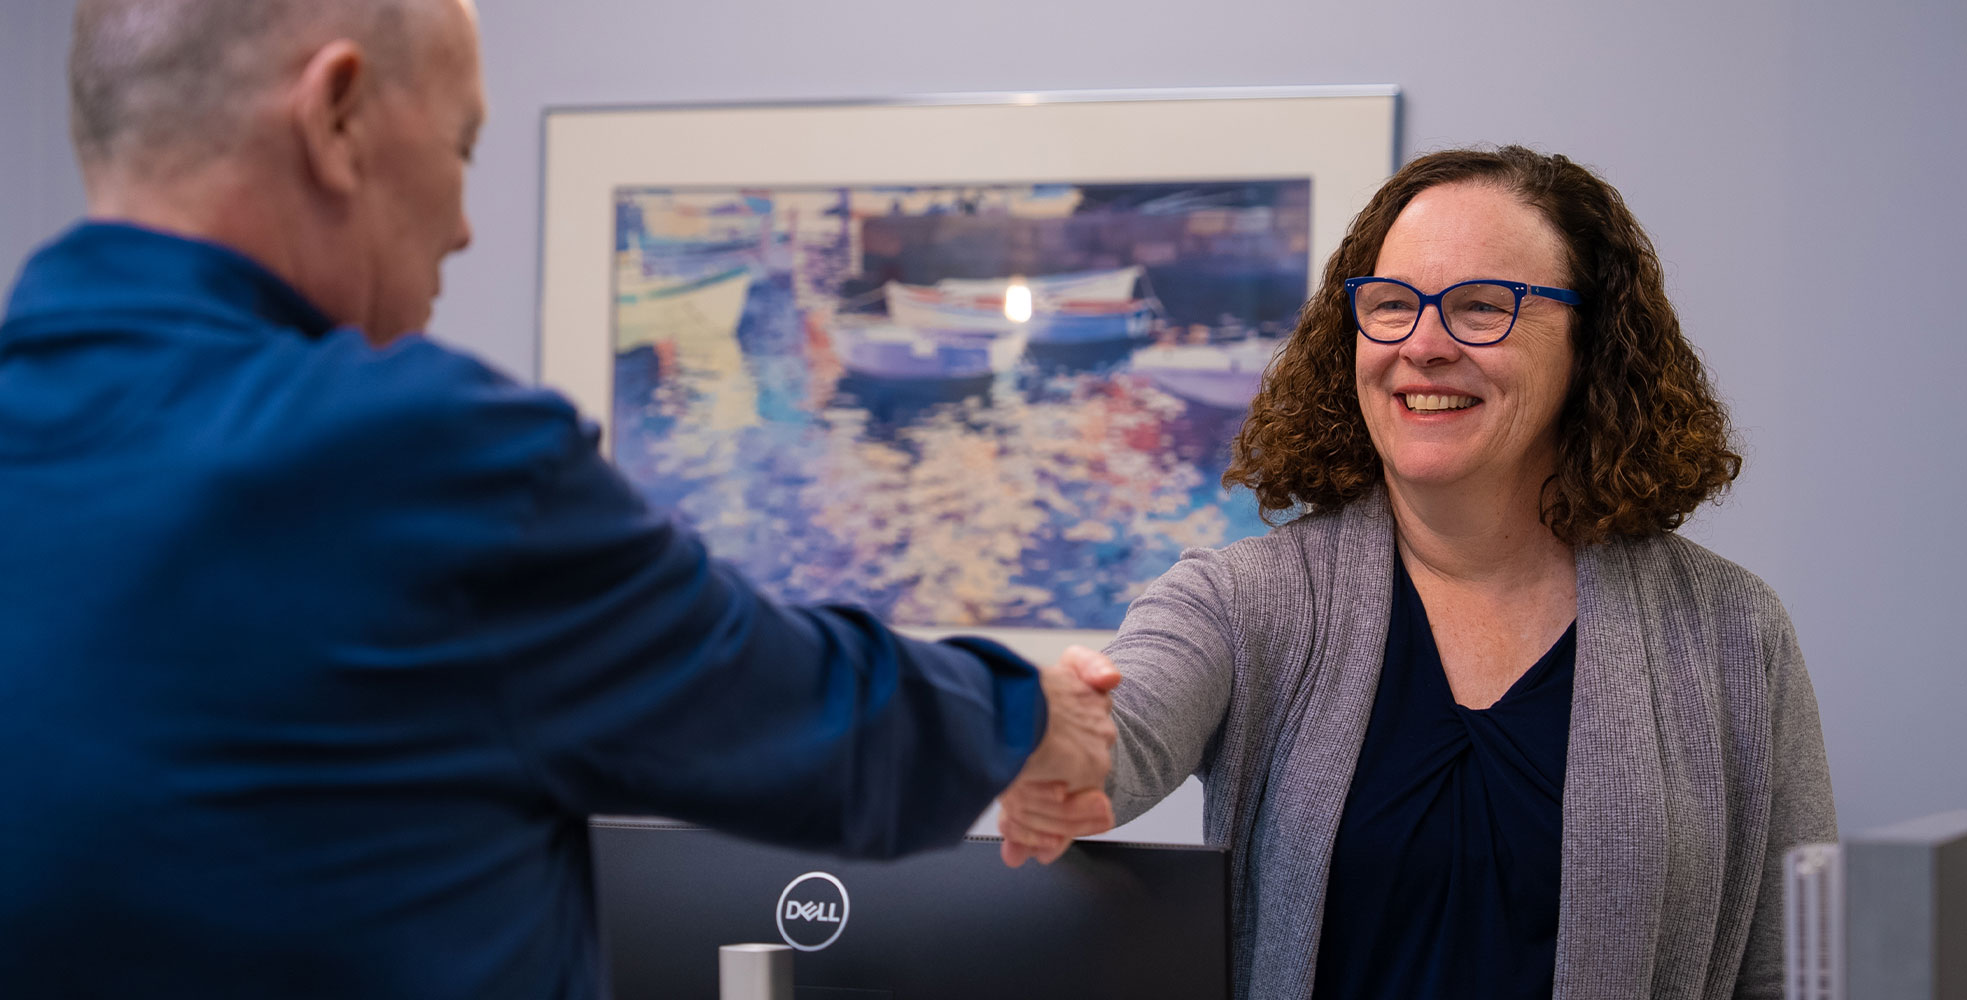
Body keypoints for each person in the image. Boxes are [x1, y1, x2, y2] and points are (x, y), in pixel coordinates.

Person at [0, 0, 1119, 996]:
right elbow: (796, 711)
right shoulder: (410, 453)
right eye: (462, 146)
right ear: (335, 116)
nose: (465, 225)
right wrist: (1029, 716)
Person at [999, 146, 1837, 999]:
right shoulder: (1243, 602)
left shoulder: (1733, 631)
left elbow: (1796, 970)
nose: (1424, 346)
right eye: (1392, 305)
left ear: (1592, 343)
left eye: (1482, 307)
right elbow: (1117, 737)